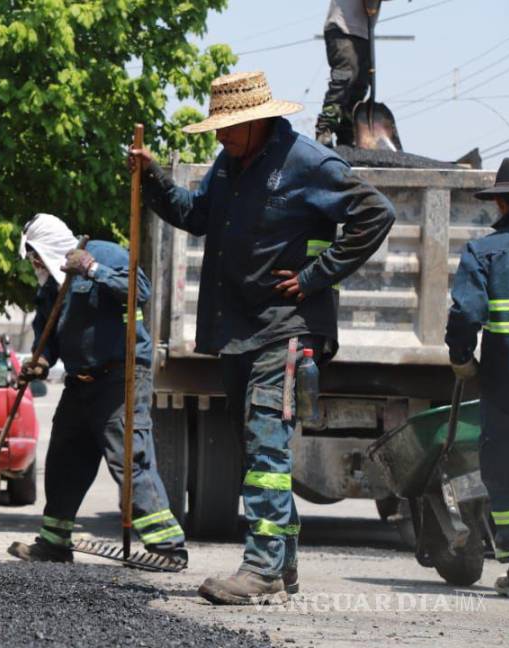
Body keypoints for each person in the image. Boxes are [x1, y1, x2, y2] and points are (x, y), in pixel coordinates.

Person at [131, 71, 395, 604]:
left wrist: (316, 275)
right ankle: (284, 564)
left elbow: (376, 214)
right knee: (257, 451)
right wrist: (153, 179)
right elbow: (196, 216)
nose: (219, 137)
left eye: (228, 127)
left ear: (258, 120)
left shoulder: (308, 163)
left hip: (288, 330)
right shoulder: (229, 166)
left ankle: (263, 568)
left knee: (266, 445)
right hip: (239, 332)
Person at [7, 213, 188, 569]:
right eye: (31, 258)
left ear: (49, 245)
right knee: (64, 458)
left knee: (128, 459)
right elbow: (48, 335)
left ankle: (168, 546)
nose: (35, 263)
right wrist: (40, 363)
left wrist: (92, 269)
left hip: (120, 376)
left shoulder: (104, 254)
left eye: (36, 255)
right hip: (80, 382)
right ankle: (54, 543)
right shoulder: (50, 287)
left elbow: (140, 291)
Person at [445, 157, 509, 597]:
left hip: (505, 382)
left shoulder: (485, 251)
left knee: (503, 468)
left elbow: (467, 312)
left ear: (501, 204)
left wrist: (462, 358)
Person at [314, 0, 390, 147]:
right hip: (342, 28)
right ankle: (325, 127)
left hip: (364, 33)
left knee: (360, 85)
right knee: (345, 76)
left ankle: (346, 134)